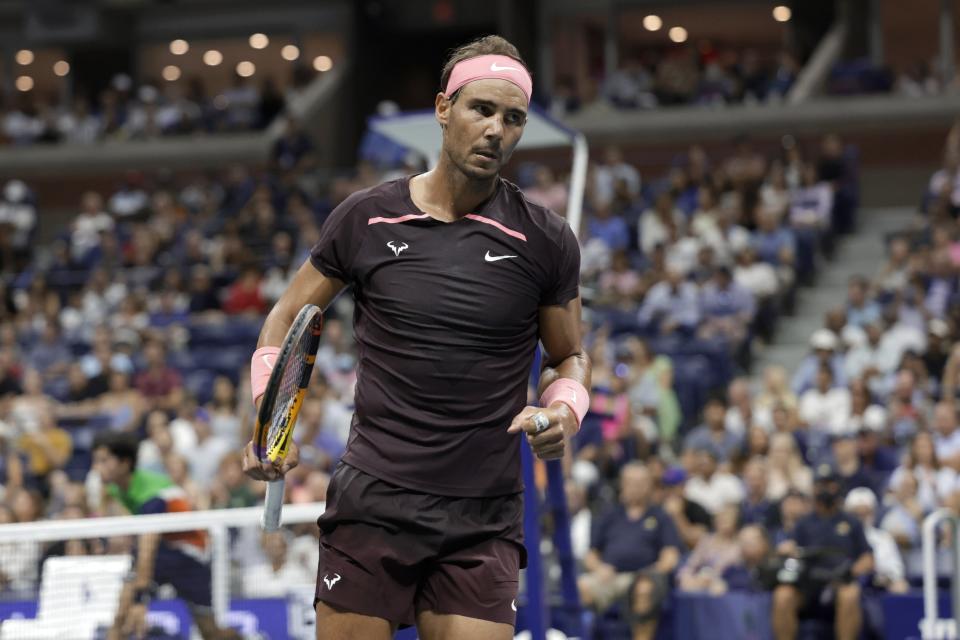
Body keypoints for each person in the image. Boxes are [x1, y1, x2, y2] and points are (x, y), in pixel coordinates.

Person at [241, 35, 590, 640]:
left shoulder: (547, 239)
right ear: (443, 109)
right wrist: (269, 419)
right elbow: (284, 320)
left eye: (513, 119)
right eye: (481, 109)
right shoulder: (365, 217)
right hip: (374, 502)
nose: (495, 131)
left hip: (483, 516)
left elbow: (569, 356)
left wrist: (565, 408)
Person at [92, 431, 240, 640]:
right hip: (164, 551)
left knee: (210, 631)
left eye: (104, 461)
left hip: (190, 555)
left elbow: (148, 547)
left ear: (125, 463)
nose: (96, 467)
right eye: (96, 460)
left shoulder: (152, 494)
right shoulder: (116, 487)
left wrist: (139, 599)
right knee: (120, 616)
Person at [578, 463, 680, 640]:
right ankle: (585, 634)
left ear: (649, 486)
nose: (636, 487)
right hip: (610, 575)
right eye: (631, 482)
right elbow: (590, 555)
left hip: (643, 576)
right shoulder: (609, 515)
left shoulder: (660, 516)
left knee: (644, 590)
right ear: (622, 485)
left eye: (641, 482)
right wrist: (599, 568)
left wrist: (652, 572)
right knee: (579, 587)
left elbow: (671, 555)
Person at [772, 465, 874, 640]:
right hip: (807, 582)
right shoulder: (803, 523)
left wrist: (852, 571)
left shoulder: (851, 522)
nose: (825, 489)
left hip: (838, 581)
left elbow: (867, 557)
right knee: (782, 595)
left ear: (837, 487)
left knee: (850, 594)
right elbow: (789, 547)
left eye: (830, 484)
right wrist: (787, 549)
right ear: (813, 489)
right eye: (821, 485)